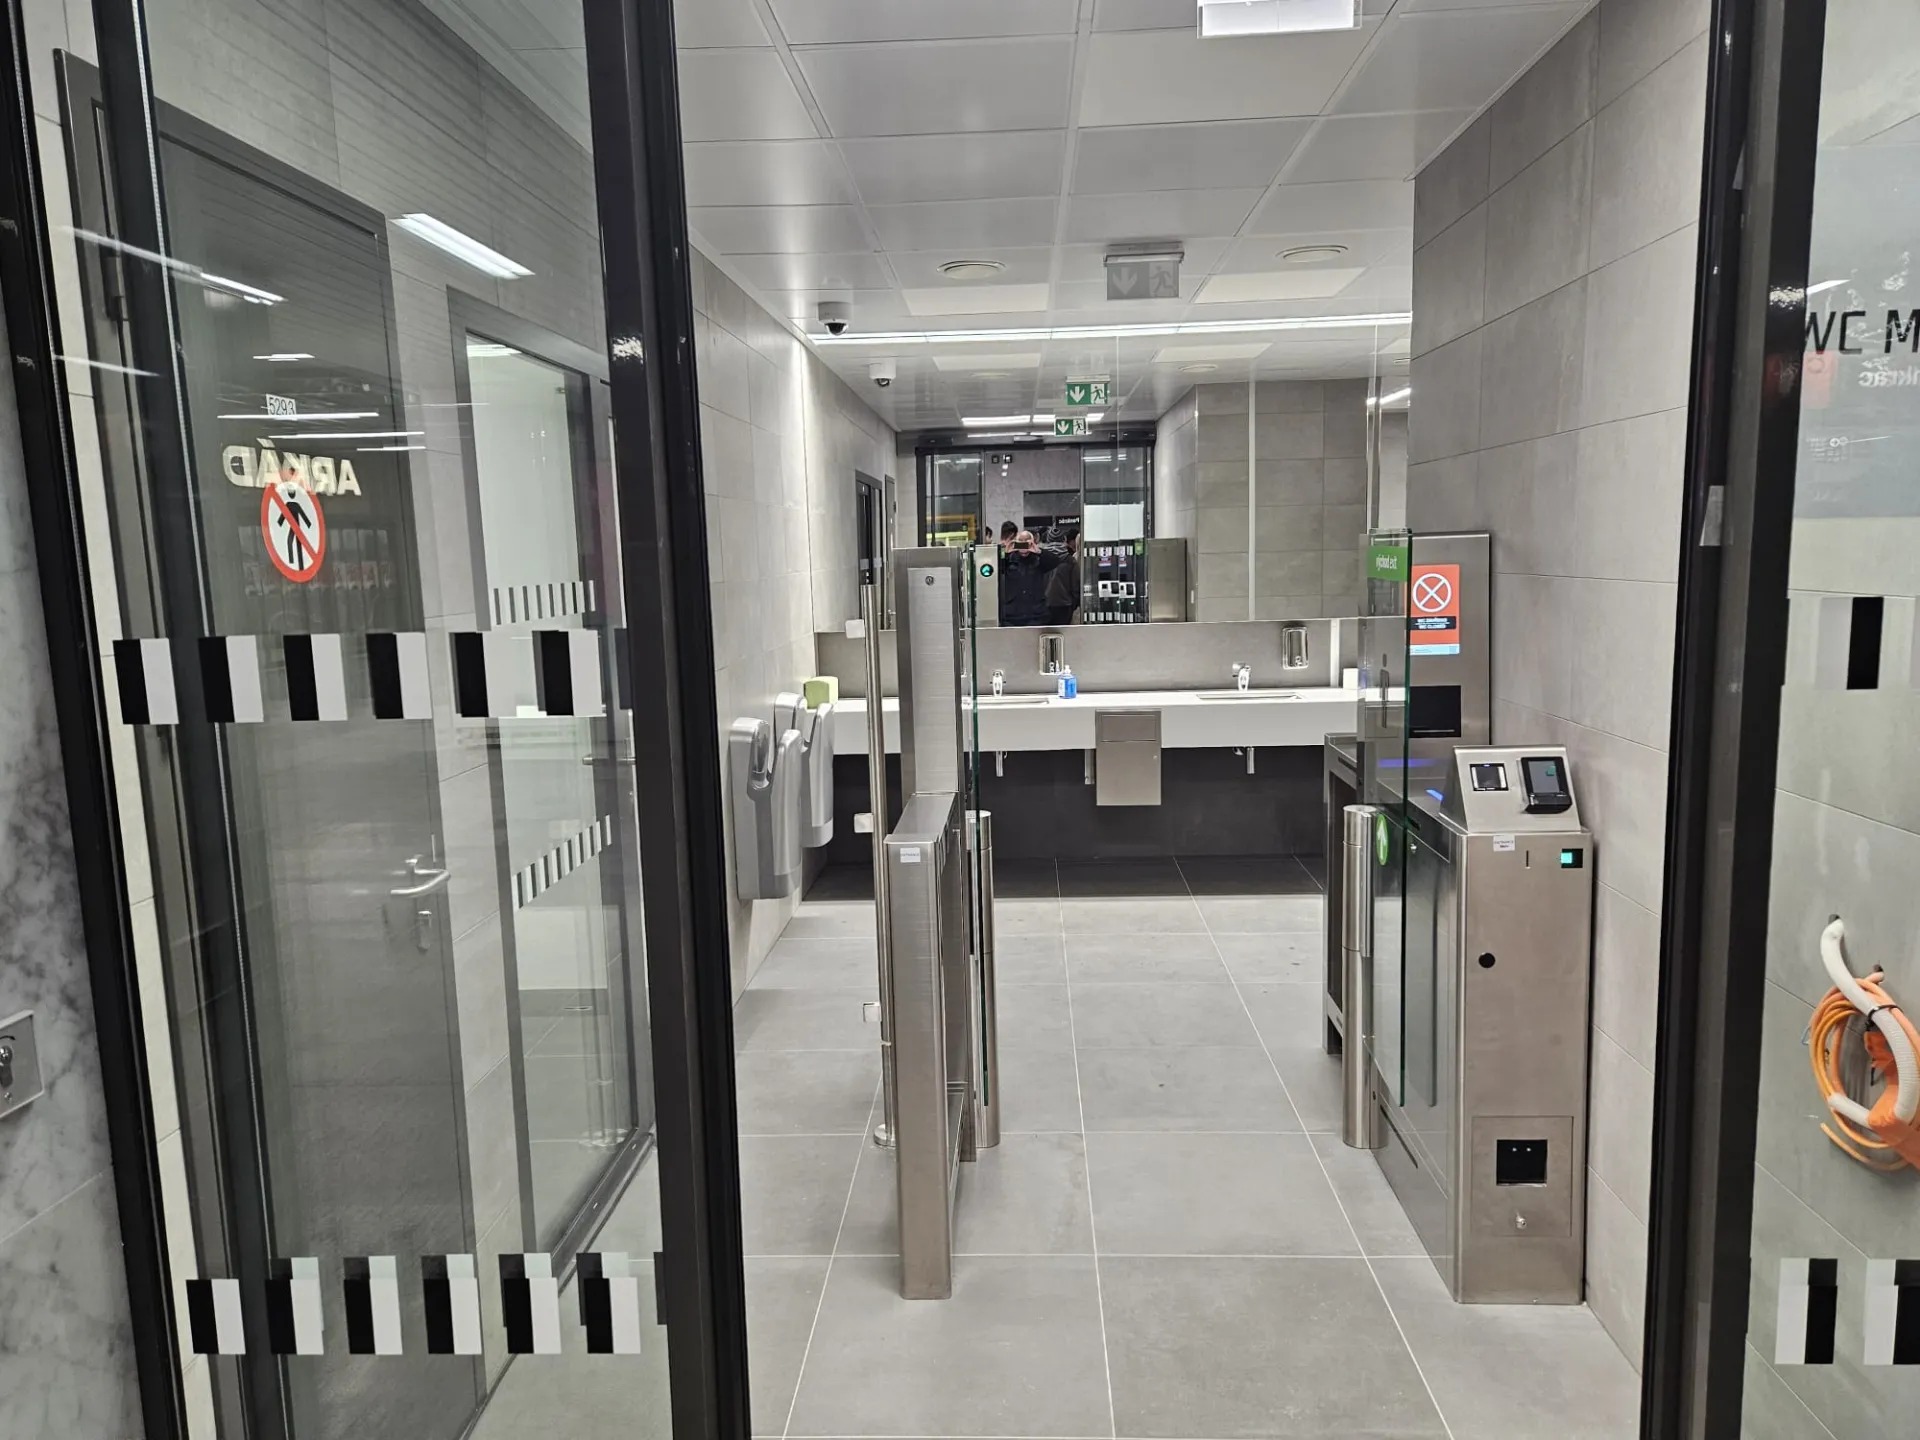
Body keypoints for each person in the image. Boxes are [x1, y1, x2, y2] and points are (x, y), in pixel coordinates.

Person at [998, 529, 1051, 626]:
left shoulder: (1039, 559)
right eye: (1020, 542)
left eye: (1026, 542)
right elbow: (997, 569)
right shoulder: (1009, 559)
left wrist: (1038, 551)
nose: (1023, 545)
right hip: (1011, 615)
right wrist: (1005, 553)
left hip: (1036, 614)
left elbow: (1054, 562)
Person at [1044, 531, 1081, 626]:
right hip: (1064, 605)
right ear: (1064, 541)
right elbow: (1075, 585)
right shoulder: (1070, 560)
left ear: (1048, 540)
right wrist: (1073, 604)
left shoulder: (1041, 558)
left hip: (1044, 604)